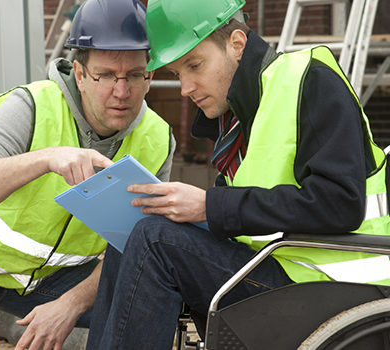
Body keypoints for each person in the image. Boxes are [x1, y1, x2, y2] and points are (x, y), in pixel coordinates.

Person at [86, 0, 390, 348]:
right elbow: (249, 211)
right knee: (134, 233)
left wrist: (209, 206)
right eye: (177, 74)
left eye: (194, 65)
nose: (185, 88)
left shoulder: (310, 79)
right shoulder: (239, 115)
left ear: (236, 44)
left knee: (154, 240)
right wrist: (188, 211)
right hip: (281, 269)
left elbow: (340, 204)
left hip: (335, 285)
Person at [0, 0, 175, 348]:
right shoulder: (31, 107)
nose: (122, 92)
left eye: (136, 75)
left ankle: (11, 320)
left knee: (148, 297)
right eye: (105, 75)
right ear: (79, 73)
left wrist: (69, 305)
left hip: (59, 283)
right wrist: (46, 158)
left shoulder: (158, 139)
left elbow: (132, 249)